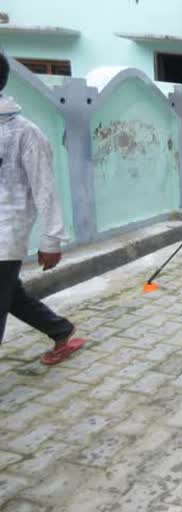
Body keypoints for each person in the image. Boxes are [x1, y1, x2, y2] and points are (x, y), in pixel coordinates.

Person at [0, 52, 87, 364]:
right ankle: (60, 330)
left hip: (5, 239)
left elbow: (45, 189)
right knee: (12, 296)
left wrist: (51, 240)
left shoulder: (25, 133)